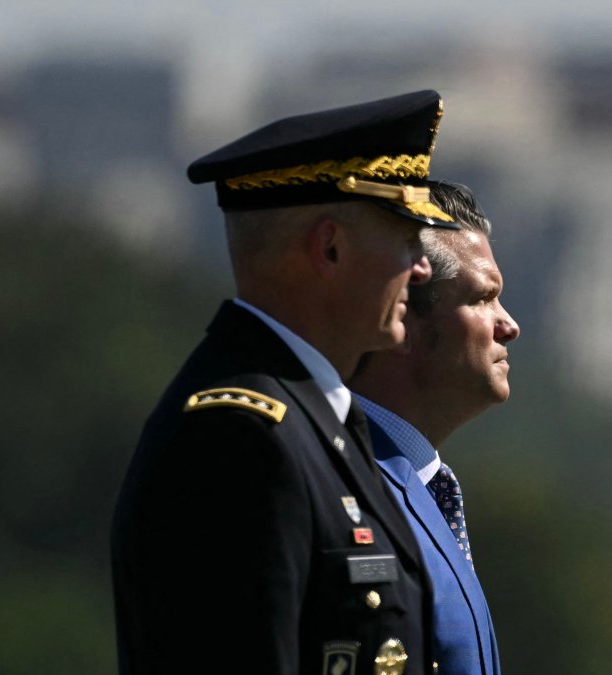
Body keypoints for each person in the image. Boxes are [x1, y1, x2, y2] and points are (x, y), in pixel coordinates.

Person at [111, 90, 460, 675]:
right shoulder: (239, 439)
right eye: (405, 238)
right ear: (330, 247)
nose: (420, 267)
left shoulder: (312, 422)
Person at [346, 181, 520, 675]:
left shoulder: (419, 485)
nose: (508, 325)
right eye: (483, 298)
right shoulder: (341, 482)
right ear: (403, 315)